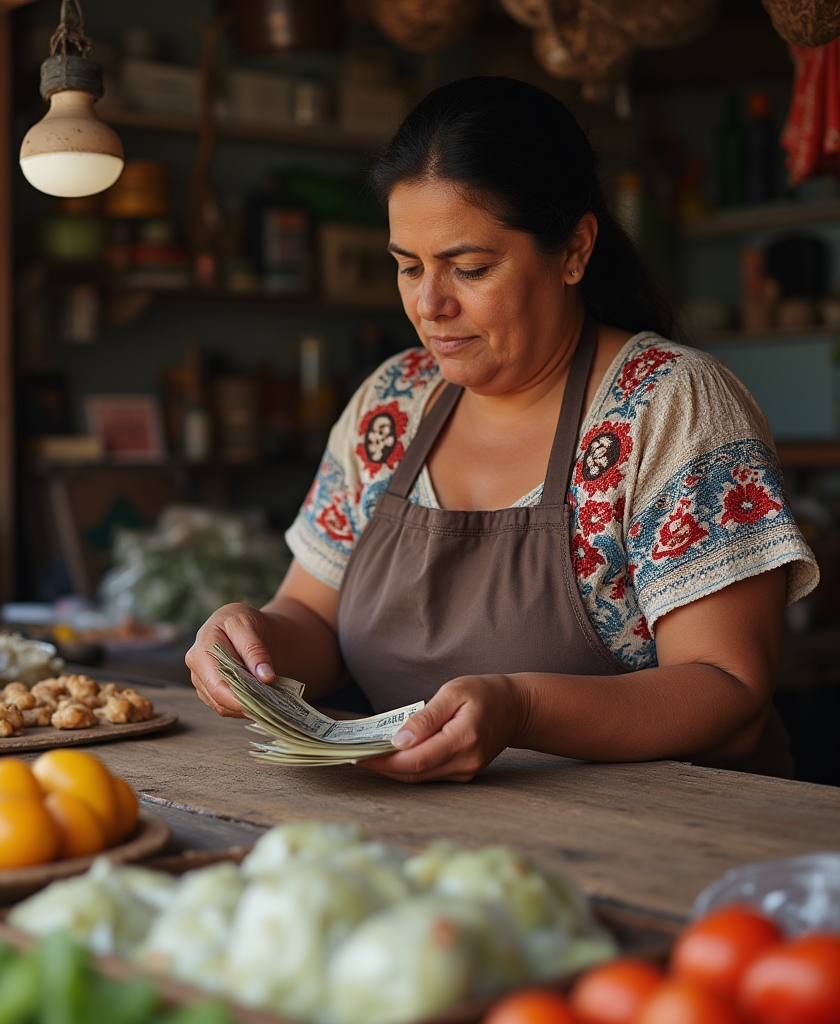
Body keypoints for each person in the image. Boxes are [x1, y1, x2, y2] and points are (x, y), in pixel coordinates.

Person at [187, 77, 818, 783]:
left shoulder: (668, 408)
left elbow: (728, 693)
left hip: (664, 846)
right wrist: (253, 640)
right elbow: (311, 618)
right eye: (407, 267)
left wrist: (520, 709)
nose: (430, 304)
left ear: (575, 249)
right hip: (427, 847)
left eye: (470, 268)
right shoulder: (390, 406)